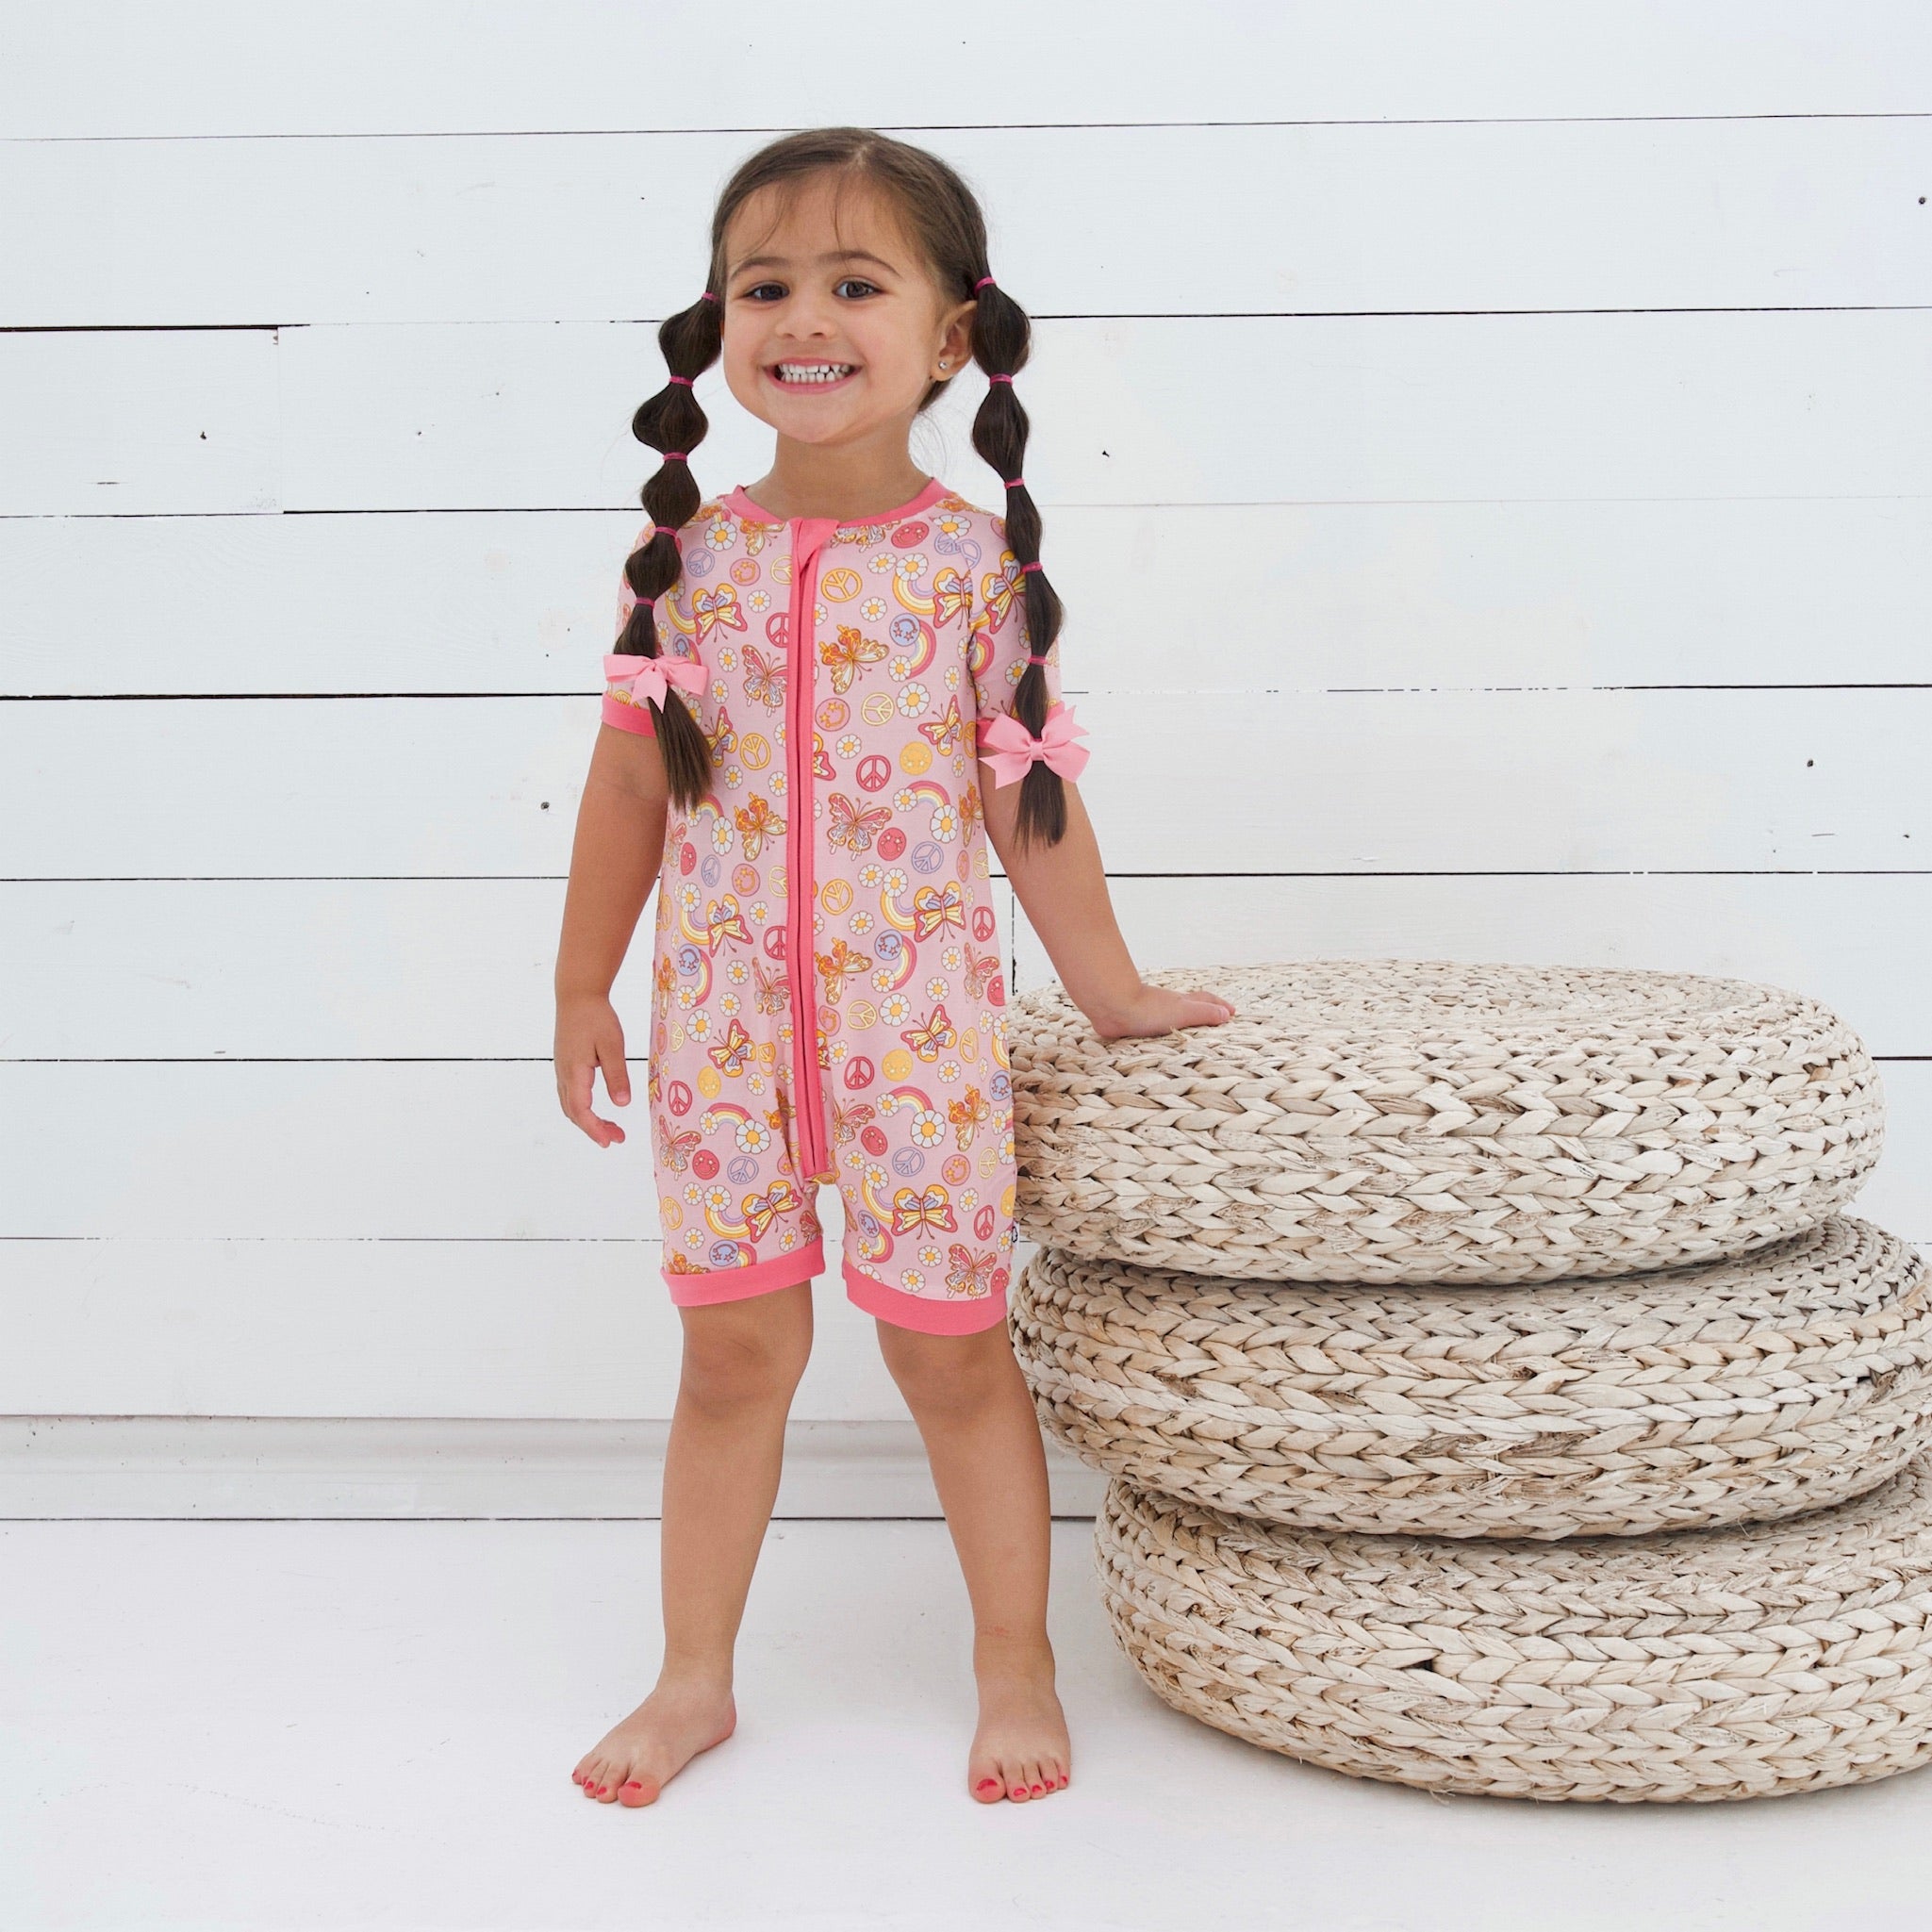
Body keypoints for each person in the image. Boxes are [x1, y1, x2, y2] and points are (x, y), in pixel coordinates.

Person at [553, 125, 1235, 1811]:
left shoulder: (972, 569)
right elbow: (629, 784)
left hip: (918, 1042)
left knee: (948, 1355)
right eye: (763, 285)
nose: (803, 316)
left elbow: (1029, 802)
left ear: (949, 337)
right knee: (731, 1359)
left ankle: (1013, 1659)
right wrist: (581, 985)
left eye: (855, 284)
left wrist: (1111, 991)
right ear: (715, 322)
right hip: (721, 1044)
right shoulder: (682, 563)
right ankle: (693, 1676)